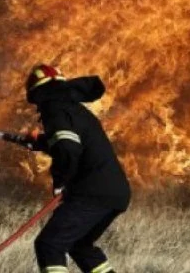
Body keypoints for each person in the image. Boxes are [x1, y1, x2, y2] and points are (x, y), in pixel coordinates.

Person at [16, 64, 131, 273]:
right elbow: (70, 141)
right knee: (80, 246)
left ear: (38, 92)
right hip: (115, 192)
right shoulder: (72, 108)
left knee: (49, 244)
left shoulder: (54, 107)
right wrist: (40, 142)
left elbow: (68, 148)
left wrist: (61, 181)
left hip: (92, 192)